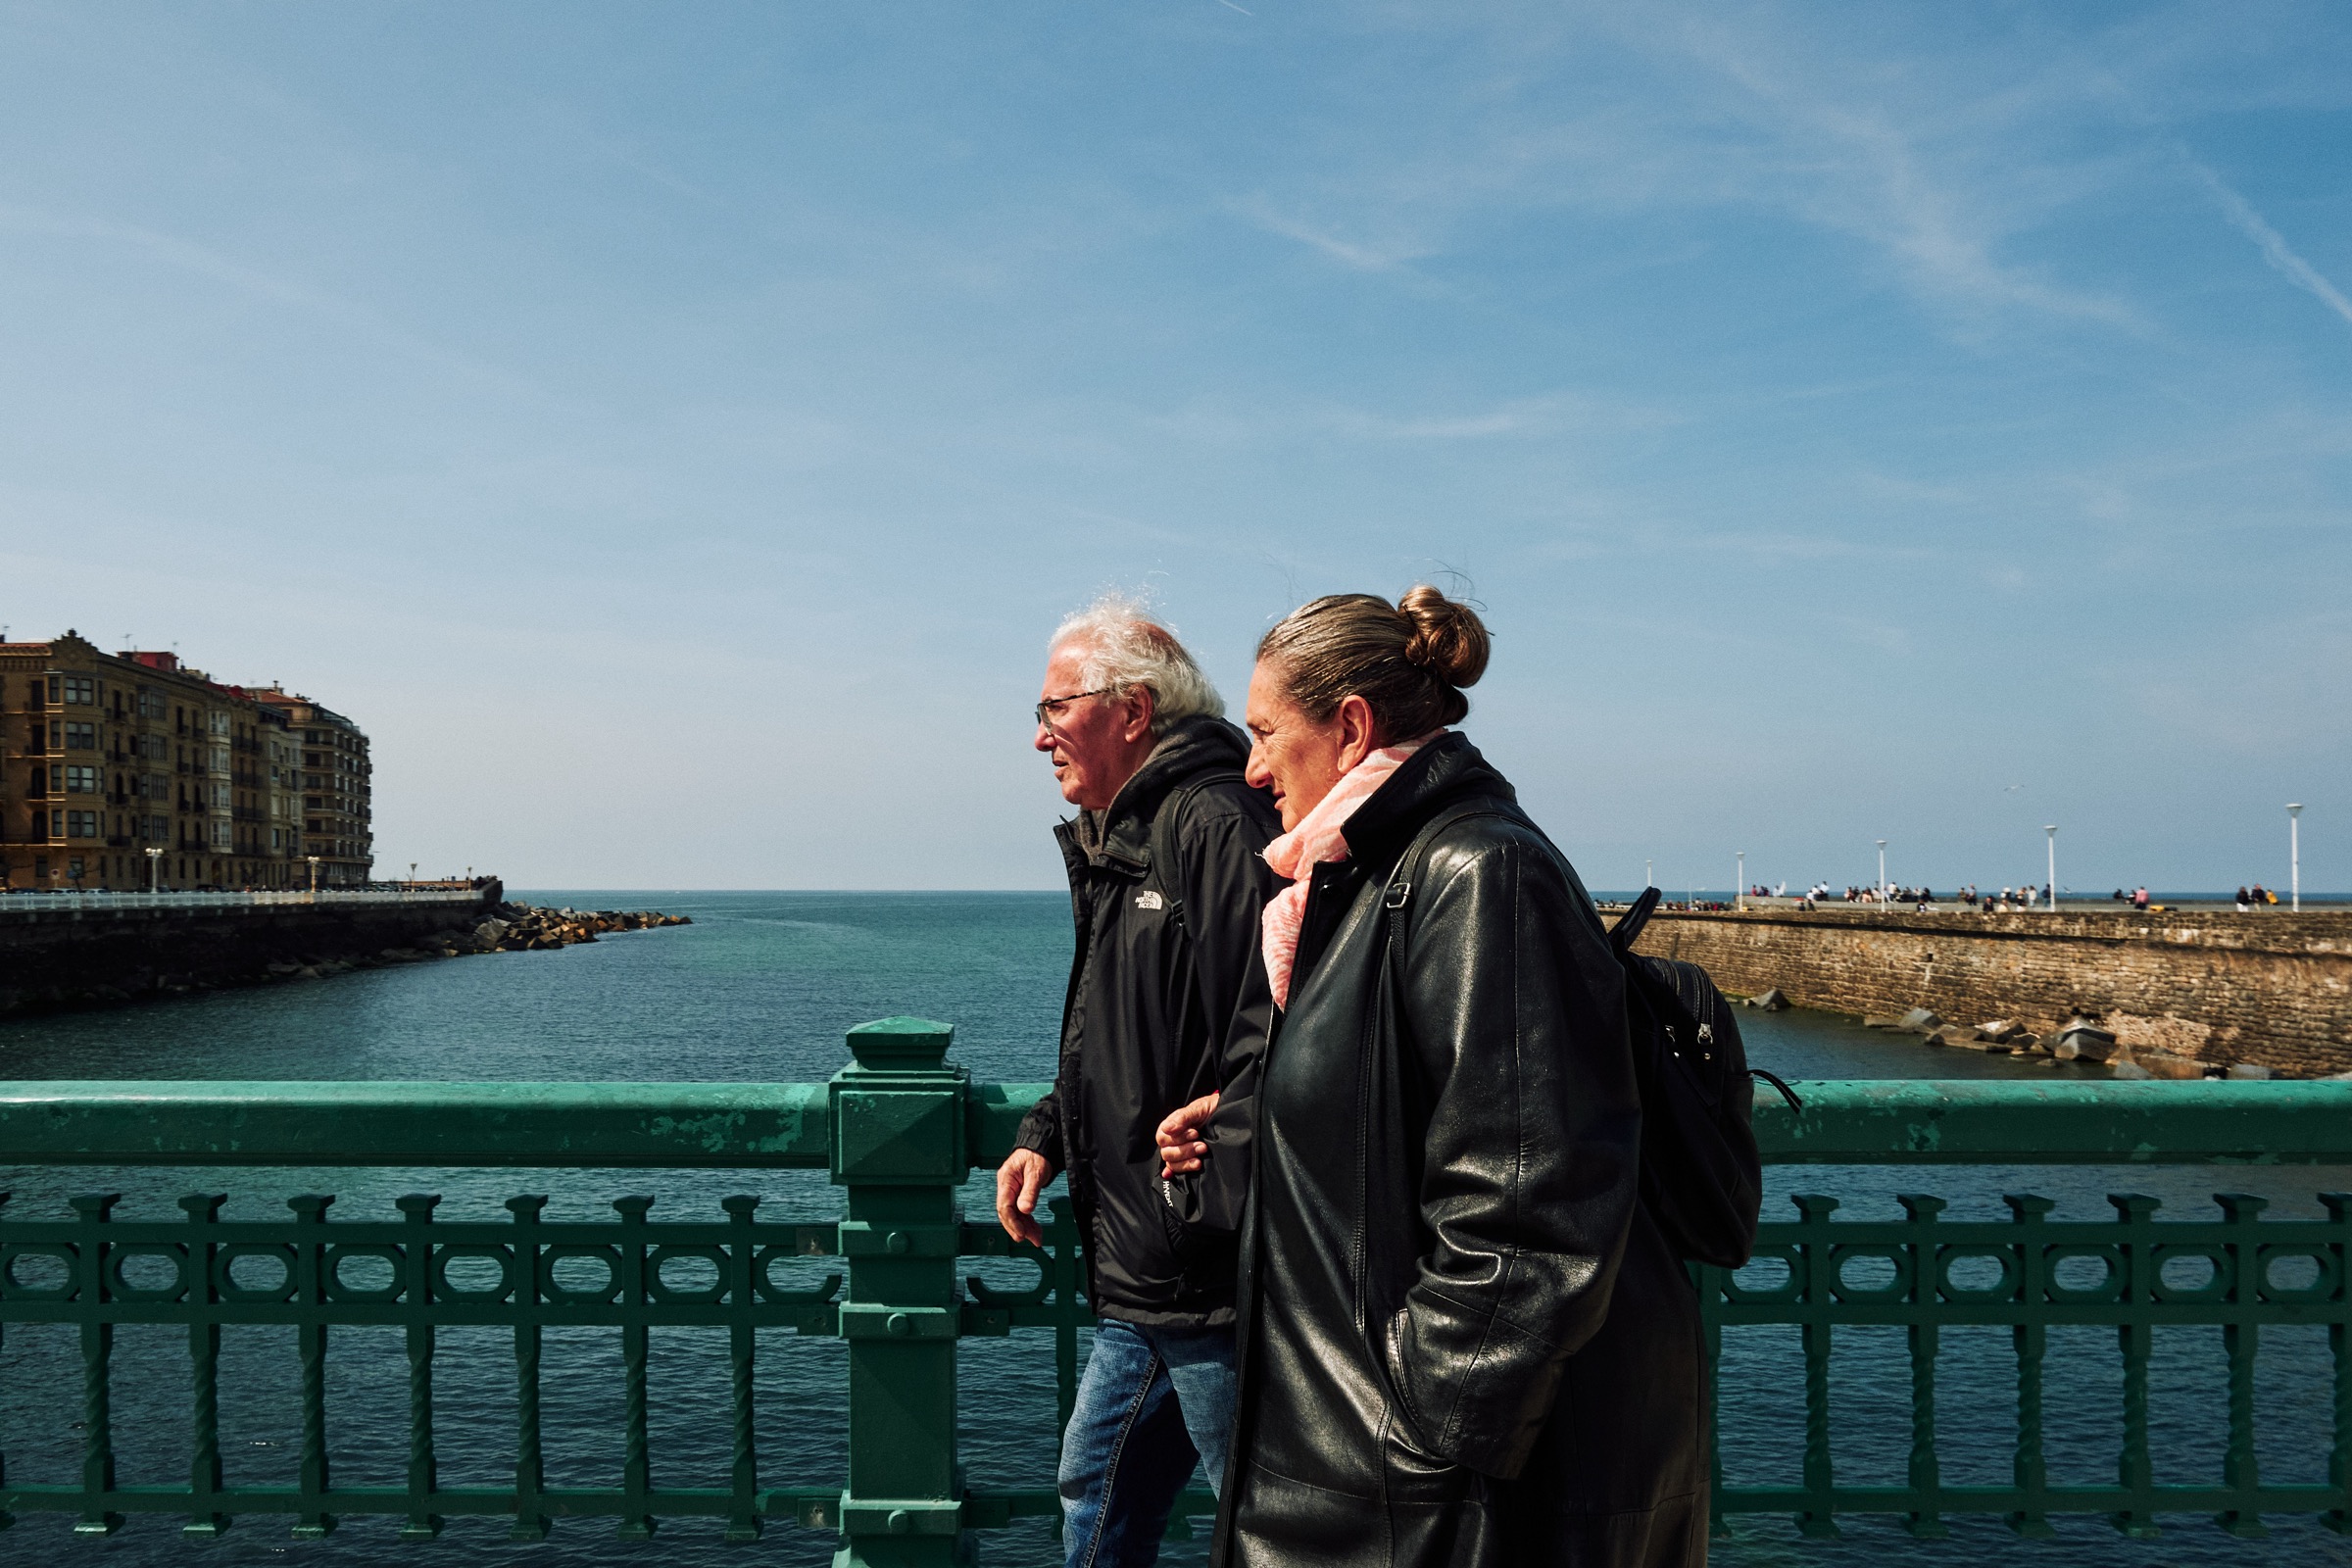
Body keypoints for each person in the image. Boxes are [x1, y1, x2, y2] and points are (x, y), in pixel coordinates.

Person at [1161, 588, 1705, 1568]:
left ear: (1351, 726)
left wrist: (1425, 1451)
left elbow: (1534, 1206)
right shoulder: (1372, 878)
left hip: (1422, 1509)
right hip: (1374, 1482)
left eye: (1264, 733)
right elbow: (1408, 1115)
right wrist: (1256, 1115)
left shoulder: (1475, 873)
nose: (1249, 768)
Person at [997, 594, 1283, 1568]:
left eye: (1053, 709)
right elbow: (1124, 1037)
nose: (1040, 738)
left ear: (1131, 709)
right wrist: (1048, 1129)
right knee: (1098, 1499)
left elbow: (1286, 1025)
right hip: (1152, 1272)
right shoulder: (1129, 833)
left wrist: (1220, 1153)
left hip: (1211, 1272)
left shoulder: (1208, 822)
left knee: (1277, 1528)